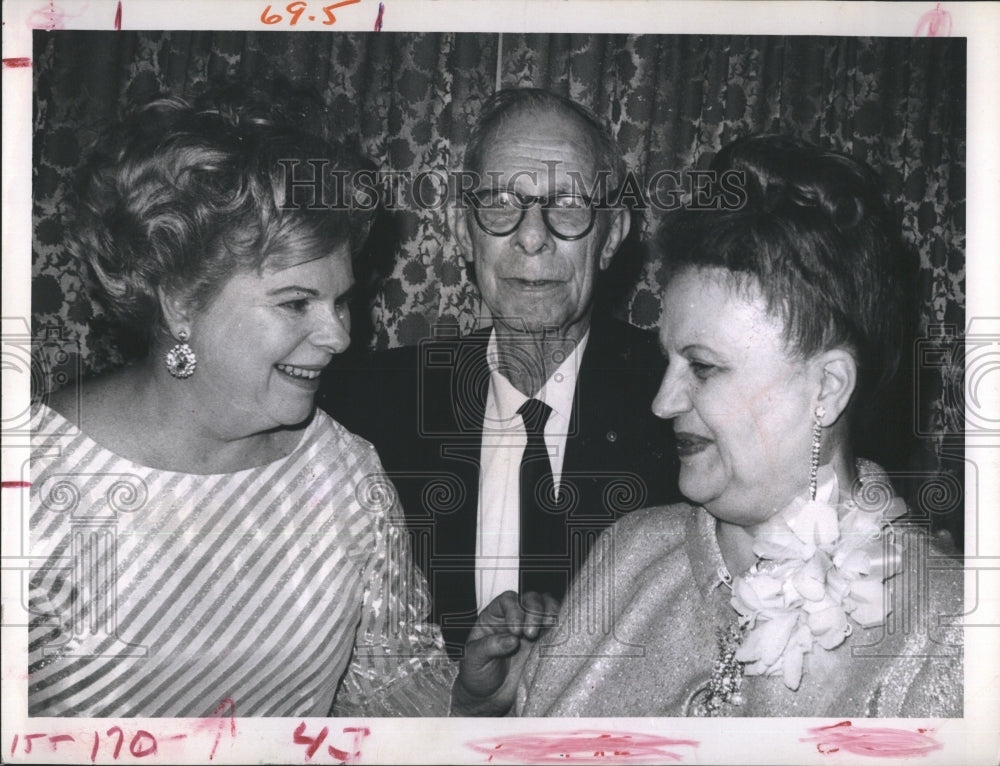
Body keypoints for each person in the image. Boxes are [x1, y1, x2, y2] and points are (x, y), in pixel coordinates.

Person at [27, 86, 529, 717]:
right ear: (179, 301)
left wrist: (469, 696)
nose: (341, 335)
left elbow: (386, 694)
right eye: (297, 302)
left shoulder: (347, 476)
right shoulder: (31, 482)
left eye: (341, 299)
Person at [511, 135, 963, 717]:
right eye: (667, 360)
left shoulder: (946, 632)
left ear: (826, 387)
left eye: (703, 367)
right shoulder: (629, 554)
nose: (662, 401)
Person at [319, 88, 680, 656]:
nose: (532, 237)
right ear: (463, 231)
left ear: (611, 235)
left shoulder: (682, 408)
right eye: (500, 204)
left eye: (567, 205)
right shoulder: (367, 410)